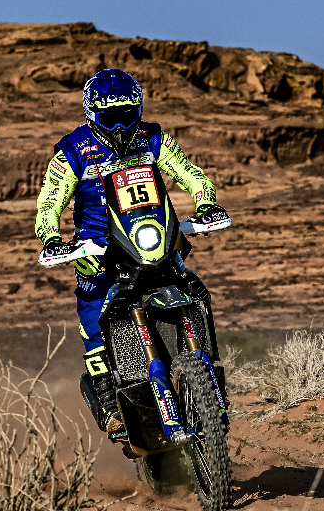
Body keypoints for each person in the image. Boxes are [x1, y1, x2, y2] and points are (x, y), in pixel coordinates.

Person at [33, 68, 230, 434]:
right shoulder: (71, 151)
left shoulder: (154, 138)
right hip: (97, 252)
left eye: (128, 115)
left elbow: (190, 173)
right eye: (111, 118)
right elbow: (49, 203)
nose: (121, 126)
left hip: (151, 238)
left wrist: (205, 202)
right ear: (92, 114)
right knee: (94, 320)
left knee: (195, 290)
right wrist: (51, 238)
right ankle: (111, 405)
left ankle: (208, 373)